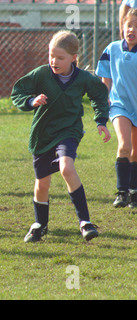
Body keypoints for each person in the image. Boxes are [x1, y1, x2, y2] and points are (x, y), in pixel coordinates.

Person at [11, 30, 111, 243]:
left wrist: (101, 121)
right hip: (43, 134)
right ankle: (40, 225)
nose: (54, 61)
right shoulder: (41, 74)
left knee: (66, 167)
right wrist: (31, 101)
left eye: (60, 57)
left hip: (69, 131)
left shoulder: (83, 79)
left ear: (74, 58)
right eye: (51, 55)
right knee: (42, 184)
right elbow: (18, 91)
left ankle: (85, 222)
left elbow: (100, 94)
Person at [96, 8, 137, 208]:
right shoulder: (112, 49)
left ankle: (133, 192)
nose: (132, 30)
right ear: (122, 27)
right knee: (124, 146)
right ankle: (121, 192)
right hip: (120, 105)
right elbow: (106, 81)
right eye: (129, 25)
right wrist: (104, 103)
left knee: (136, 152)